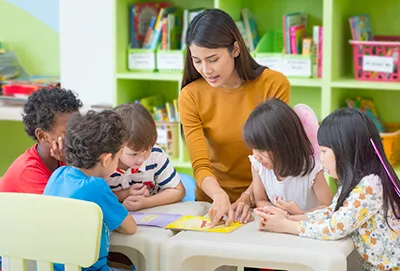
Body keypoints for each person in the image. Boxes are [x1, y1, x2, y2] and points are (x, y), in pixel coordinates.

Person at [179, 8, 291, 226]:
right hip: (212, 202)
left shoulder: (274, 85)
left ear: (235, 49)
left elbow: (274, 155)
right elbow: (200, 164)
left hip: (266, 199)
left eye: (213, 59)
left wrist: (247, 197)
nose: (205, 69)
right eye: (197, 60)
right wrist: (219, 196)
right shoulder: (190, 95)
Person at [255, 108, 400, 271]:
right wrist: (291, 218)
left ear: (346, 150)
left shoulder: (370, 185)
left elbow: (335, 227)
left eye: (324, 151)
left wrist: (285, 226)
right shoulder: (356, 183)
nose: (321, 158)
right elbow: (333, 212)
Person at [44, 110, 137, 271]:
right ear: (107, 159)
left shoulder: (58, 174)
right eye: (118, 156)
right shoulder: (96, 187)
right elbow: (130, 228)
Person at [243, 99, 333, 215]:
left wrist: (298, 214)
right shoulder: (258, 165)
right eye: (254, 148)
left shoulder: (312, 169)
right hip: (280, 228)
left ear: (284, 144)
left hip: (305, 228)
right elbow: (261, 200)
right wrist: (276, 211)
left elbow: (328, 207)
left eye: (262, 150)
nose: (256, 156)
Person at [0, 87, 82, 194]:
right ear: (42, 136)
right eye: (68, 132)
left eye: (80, 127)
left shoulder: (63, 155)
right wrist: (70, 162)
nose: (79, 135)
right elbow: (66, 205)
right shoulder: (28, 172)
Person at [107, 103, 185, 211]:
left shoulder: (155, 155)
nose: (142, 159)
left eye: (147, 149)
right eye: (134, 154)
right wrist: (125, 194)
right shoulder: (105, 162)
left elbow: (178, 191)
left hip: (154, 215)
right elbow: (94, 196)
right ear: (115, 145)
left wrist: (146, 202)